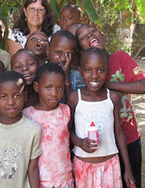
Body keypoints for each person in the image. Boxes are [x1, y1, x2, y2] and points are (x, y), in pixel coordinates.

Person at [76, 24, 145, 188]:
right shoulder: (83, 73)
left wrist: (108, 85)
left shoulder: (119, 58)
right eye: (83, 37)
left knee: (131, 181)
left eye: (92, 31)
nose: (90, 36)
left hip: (129, 140)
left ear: (102, 34)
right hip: (102, 150)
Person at [67, 48, 135, 188]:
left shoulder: (113, 98)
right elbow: (66, 131)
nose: (94, 76)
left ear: (107, 71)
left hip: (111, 166)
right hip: (83, 167)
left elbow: (119, 133)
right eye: (88, 70)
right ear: (80, 72)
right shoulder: (75, 98)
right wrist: (79, 142)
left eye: (100, 70)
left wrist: (127, 168)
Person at [23, 63, 74, 187]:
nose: (54, 93)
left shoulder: (66, 111)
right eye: (48, 87)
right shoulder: (27, 115)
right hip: (39, 181)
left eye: (59, 88)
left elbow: (69, 136)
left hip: (65, 179)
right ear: (36, 87)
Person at [48, 30, 84, 101]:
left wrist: (66, 77)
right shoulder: (41, 74)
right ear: (48, 50)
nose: (63, 59)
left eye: (68, 54)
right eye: (58, 52)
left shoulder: (78, 78)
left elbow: (75, 106)